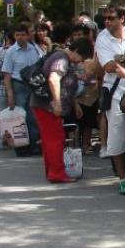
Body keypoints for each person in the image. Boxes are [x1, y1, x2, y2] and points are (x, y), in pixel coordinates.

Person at [95, 5, 125, 195]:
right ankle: (123, 179)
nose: (107, 21)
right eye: (105, 18)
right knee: (116, 138)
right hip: (115, 92)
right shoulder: (102, 38)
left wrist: (123, 57)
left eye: (111, 18)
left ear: (122, 18)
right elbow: (108, 66)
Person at [29, 38, 94, 183]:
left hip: (43, 104)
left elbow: (66, 84)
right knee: (56, 139)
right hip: (48, 106)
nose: (80, 61)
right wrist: (57, 104)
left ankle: (52, 171)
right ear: (76, 51)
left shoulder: (60, 56)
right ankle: (57, 173)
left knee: (49, 139)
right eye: (81, 57)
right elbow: (54, 79)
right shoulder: (62, 59)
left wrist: (74, 104)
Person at [2, 22, 45, 156]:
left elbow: (39, 67)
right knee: (19, 117)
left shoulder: (34, 49)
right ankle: (21, 146)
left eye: (22, 35)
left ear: (27, 36)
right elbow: (7, 75)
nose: (20, 37)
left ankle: (34, 144)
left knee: (32, 116)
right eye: (17, 35)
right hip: (18, 85)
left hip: (32, 84)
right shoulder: (10, 52)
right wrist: (10, 94)